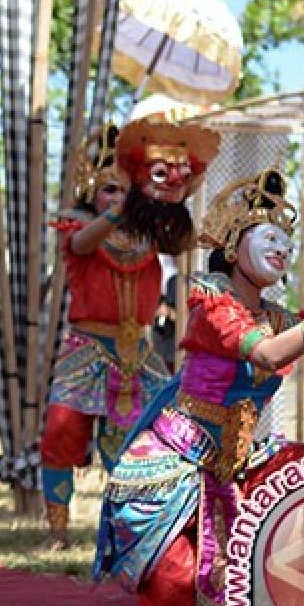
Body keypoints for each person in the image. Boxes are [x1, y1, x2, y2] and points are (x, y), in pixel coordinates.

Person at [93, 170, 304, 606]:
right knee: (175, 598)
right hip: (179, 468)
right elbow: (268, 354)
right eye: (270, 236)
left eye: (286, 241)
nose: (281, 249)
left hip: (236, 463)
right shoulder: (211, 303)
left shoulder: (272, 314)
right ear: (231, 244)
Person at [40, 121, 218, 547]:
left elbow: (183, 243)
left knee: (141, 439)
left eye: (124, 190)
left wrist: (180, 192)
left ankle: (134, 530)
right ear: (93, 194)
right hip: (85, 348)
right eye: (109, 190)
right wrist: (126, 207)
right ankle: (58, 530)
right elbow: (83, 244)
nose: (117, 198)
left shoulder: (151, 231)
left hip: (137, 350)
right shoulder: (79, 228)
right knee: (61, 432)